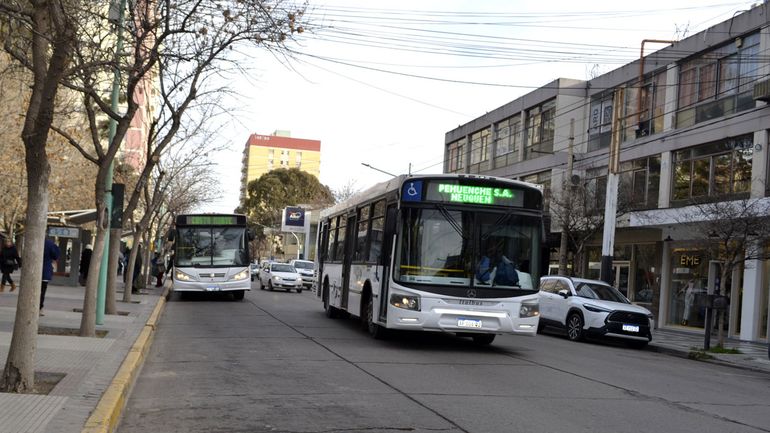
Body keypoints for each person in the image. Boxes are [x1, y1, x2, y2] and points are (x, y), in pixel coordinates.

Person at [40, 237, 61, 316]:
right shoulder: (50, 244)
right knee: (42, 291)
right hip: (45, 270)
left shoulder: (32, 239)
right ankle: (40, 307)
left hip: (32, 270)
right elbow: (56, 255)